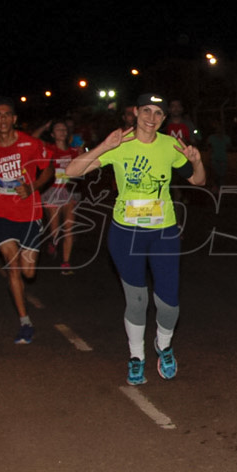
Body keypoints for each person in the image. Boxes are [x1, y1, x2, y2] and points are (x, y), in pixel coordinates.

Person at [65, 93, 205, 385]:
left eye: (158, 113)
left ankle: (164, 346)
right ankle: (137, 356)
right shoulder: (121, 142)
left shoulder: (169, 145)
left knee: (169, 303)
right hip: (126, 233)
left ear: (164, 119)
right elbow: (71, 171)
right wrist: (106, 145)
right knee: (137, 300)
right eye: (146, 111)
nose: (151, 118)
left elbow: (197, 181)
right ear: (135, 112)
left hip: (164, 232)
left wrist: (197, 161)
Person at [0, 98, 53, 344]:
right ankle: (25, 322)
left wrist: (32, 186)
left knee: (29, 272)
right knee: (13, 267)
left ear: (14, 119)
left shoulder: (30, 143)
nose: (2, 119)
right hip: (0, 212)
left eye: (7, 115)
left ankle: (25, 315)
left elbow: (48, 169)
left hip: (29, 214)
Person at [33, 119, 82, 274]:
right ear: (53, 134)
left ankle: (66, 262)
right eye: (58, 129)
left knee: (68, 228)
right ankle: (53, 242)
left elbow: (83, 168)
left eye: (64, 129)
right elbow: (33, 140)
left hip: (69, 192)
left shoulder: (73, 151)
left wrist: (82, 156)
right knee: (55, 228)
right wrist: (44, 126)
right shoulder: (49, 149)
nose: (62, 132)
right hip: (52, 192)